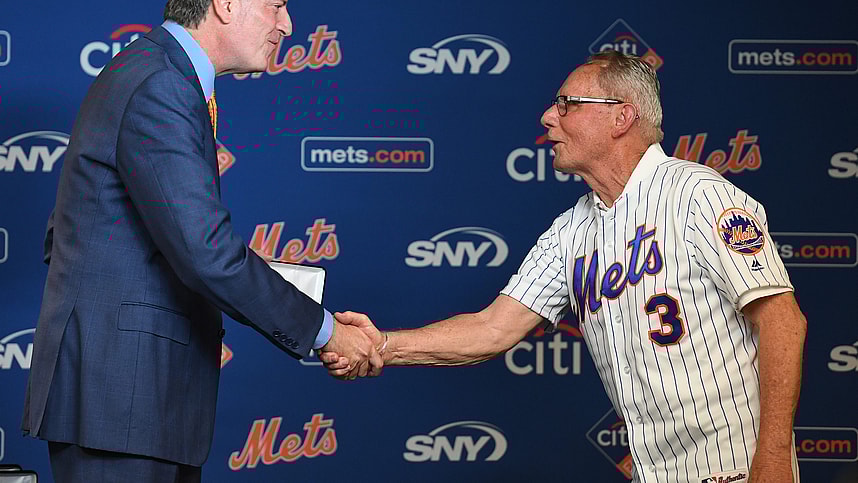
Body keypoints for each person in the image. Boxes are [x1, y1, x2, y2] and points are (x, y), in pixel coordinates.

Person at [322, 50, 807, 483]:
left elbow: (783, 321)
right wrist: (383, 344)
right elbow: (492, 329)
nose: (548, 117)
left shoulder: (699, 195)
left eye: (567, 104)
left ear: (621, 117)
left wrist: (773, 460)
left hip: (741, 467)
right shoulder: (571, 231)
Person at [21, 1, 380, 481]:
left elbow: (80, 231)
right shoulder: (161, 84)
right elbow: (207, 255)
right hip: (120, 401)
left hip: (130, 402)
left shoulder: (151, 71)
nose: (287, 24)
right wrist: (327, 331)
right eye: (276, 4)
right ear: (226, 4)